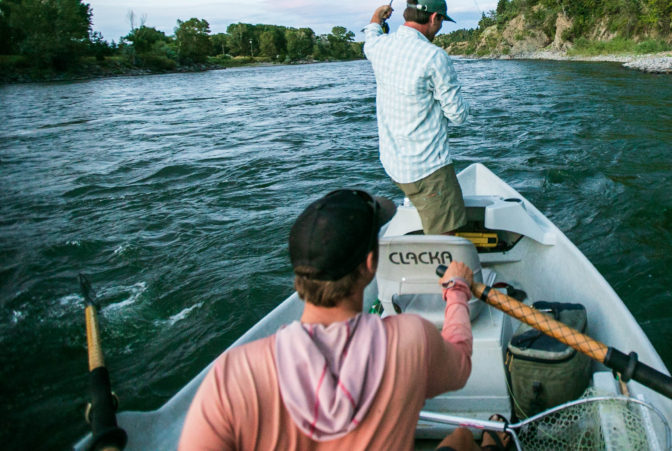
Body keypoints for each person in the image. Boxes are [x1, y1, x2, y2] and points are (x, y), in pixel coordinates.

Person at [178, 188, 508, 450]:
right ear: (369, 265)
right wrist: (456, 291)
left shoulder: (232, 374)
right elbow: (460, 362)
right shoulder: (410, 339)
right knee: (464, 439)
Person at [363, 0, 470, 236]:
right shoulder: (435, 56)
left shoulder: (379, 47)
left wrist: (376, 17)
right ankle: (444, 273)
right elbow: (458, 115)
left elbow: (371, 35)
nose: (440, 27)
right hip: (428, 170)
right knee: (447, 241)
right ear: (434, 18)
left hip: (394, 166)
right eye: (441, 21)